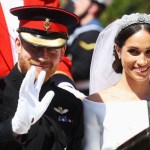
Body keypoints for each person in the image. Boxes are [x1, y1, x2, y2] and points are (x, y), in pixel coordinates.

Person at [0, 0, 84, 150]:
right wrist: (12, 129)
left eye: (52, 49)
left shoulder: (71, 104)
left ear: (62, 52)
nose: (43, 57)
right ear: (18, 44)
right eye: (34, 46)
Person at [83, 13, 150, 149]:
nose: (142, 61)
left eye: (149, 52)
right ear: (118, 50)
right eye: (134, 51)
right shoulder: (95, 104)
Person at [66, 0, 108, 95]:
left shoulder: (92, 34)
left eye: (81, 1)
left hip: (82, 93)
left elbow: (81, 70)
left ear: (94, 8)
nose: (75, 3)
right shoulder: (77, 29)